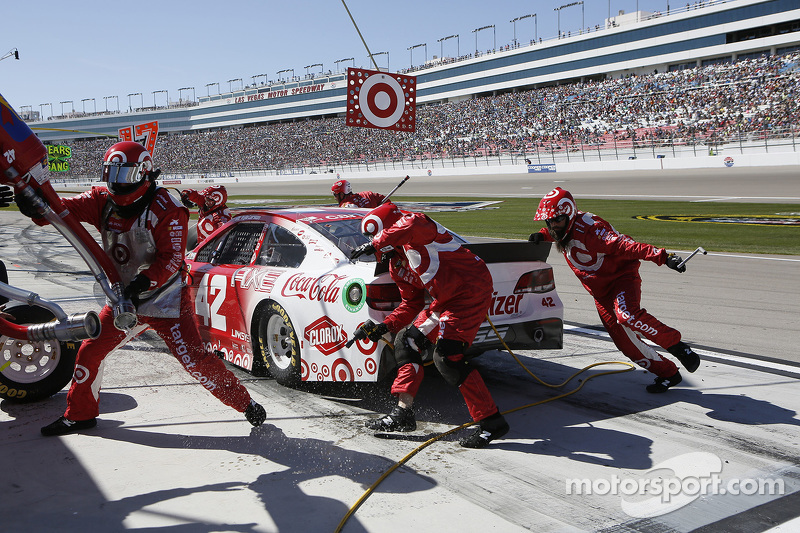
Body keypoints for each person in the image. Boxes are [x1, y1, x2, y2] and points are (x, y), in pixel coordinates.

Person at [16, 141, 266, 436]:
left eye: (125, 176)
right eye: (113, 174)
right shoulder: (101, 199)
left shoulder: (167, 207)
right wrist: (33, 206)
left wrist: (142, 283)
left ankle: (245, 403)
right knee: (90, 351)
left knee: (195, 362)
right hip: (126, 301)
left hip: (166, 301)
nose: (117, 183)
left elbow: (172, 258)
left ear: (144, 174)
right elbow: (60, 212)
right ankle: (80, 415)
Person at [350, 202, 509, 448]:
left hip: (470, 293)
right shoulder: (397, 265)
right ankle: (403, 412)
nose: (382, 250)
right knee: (405, 341)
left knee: (447, 358)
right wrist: (383, 327)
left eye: (379, 239)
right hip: (446, 301)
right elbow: (410, 304)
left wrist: (376, 242)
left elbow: (414, 221)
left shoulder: (422, 234)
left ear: (388, 232)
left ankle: (491, 422)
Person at [529, 187, 701, 393]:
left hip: (621, 279)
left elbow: (627, 245)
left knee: (627, 314)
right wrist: (541, 235)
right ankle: (668, 373)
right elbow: (553, 233)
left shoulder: (593, 231)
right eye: (548, 222)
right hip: (600, 293)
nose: (552, 226)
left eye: (556, 220)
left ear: (570, 214)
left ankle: (679, 347)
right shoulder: (562, 226)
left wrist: (664, 257)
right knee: (625, 344)